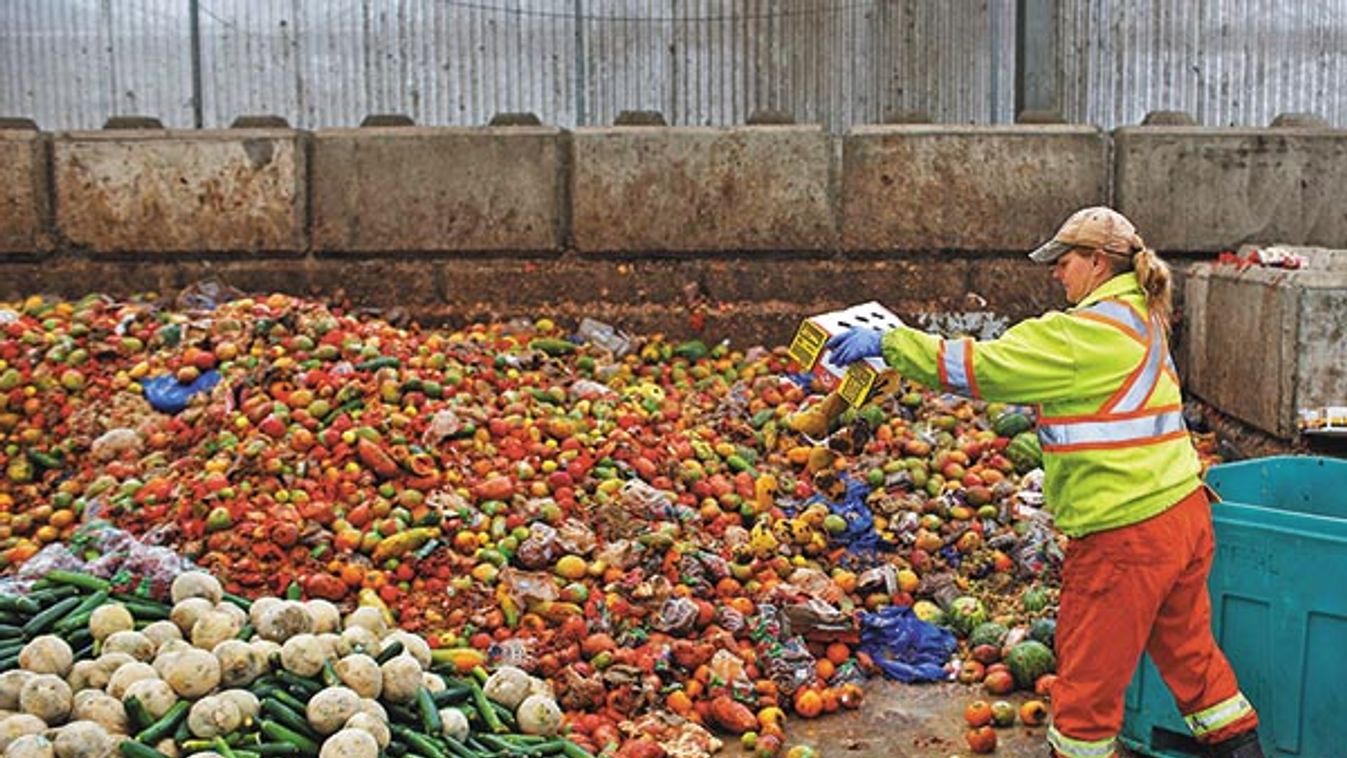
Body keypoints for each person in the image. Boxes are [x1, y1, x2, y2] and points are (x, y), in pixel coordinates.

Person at [824, 207, 1263, 758]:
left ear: (1098, 263)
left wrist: (892, 345)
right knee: (1193, 661)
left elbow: (984, 367)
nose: (1057, 273)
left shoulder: (1081, 334)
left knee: (1085, 692)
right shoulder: (1142, 314)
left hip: (1124, 536)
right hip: (1182, 514)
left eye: (1065, 260)